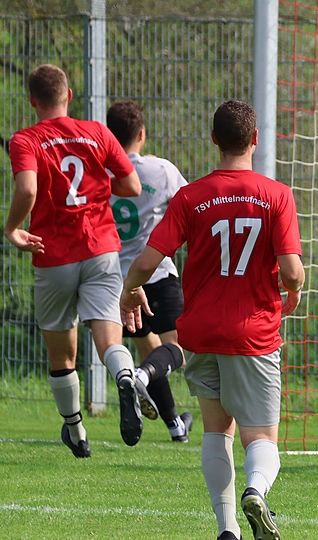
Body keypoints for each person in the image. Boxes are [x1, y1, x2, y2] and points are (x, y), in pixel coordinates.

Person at [120, 99, 303, 540]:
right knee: (261, 438)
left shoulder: (191, 197)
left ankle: (227, 528)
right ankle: (255, 491)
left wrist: (130, 289)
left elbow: (146, 261)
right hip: (253, 333)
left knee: (216, 432)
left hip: (200, 333)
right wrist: (294, 288)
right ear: (255, 140)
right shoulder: (276, 195)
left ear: (214, 139)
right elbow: (292, 271)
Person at [4, 64, 149, 458]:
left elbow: (28, 189)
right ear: (68, 96)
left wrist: (12, 227)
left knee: (62, 353)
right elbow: (132, 185)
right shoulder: (97, 132)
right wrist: (97, 186)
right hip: (101, 248)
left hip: (53, 254)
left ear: (32, 101)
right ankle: (124, 377)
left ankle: (76, 432)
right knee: (108, 339)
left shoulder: (26, 139)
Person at [106, 100, 193, 443]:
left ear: (109, 135)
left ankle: (175, 426)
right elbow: (189, 207)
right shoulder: (161, 170)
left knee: (148, 346)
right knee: (178, 348)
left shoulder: (100, 173)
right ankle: (139, 377)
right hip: (155, 272)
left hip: (117, 279)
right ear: (141, 134)